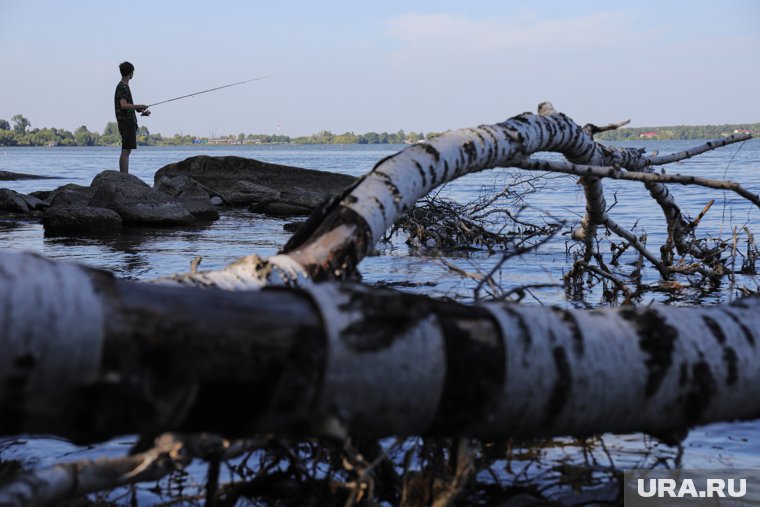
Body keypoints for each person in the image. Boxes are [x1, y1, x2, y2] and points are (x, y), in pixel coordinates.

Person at [114, 61, 150, 174]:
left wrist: (138, 109)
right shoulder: (122, 87)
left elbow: (126, 106)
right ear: (130, 73)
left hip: (127, 121)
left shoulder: (124, 86)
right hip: (126, 122)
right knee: (126, 150)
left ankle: (125, 175)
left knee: (127, 150)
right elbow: (123, 105)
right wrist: (139, 105)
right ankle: (124, 176)